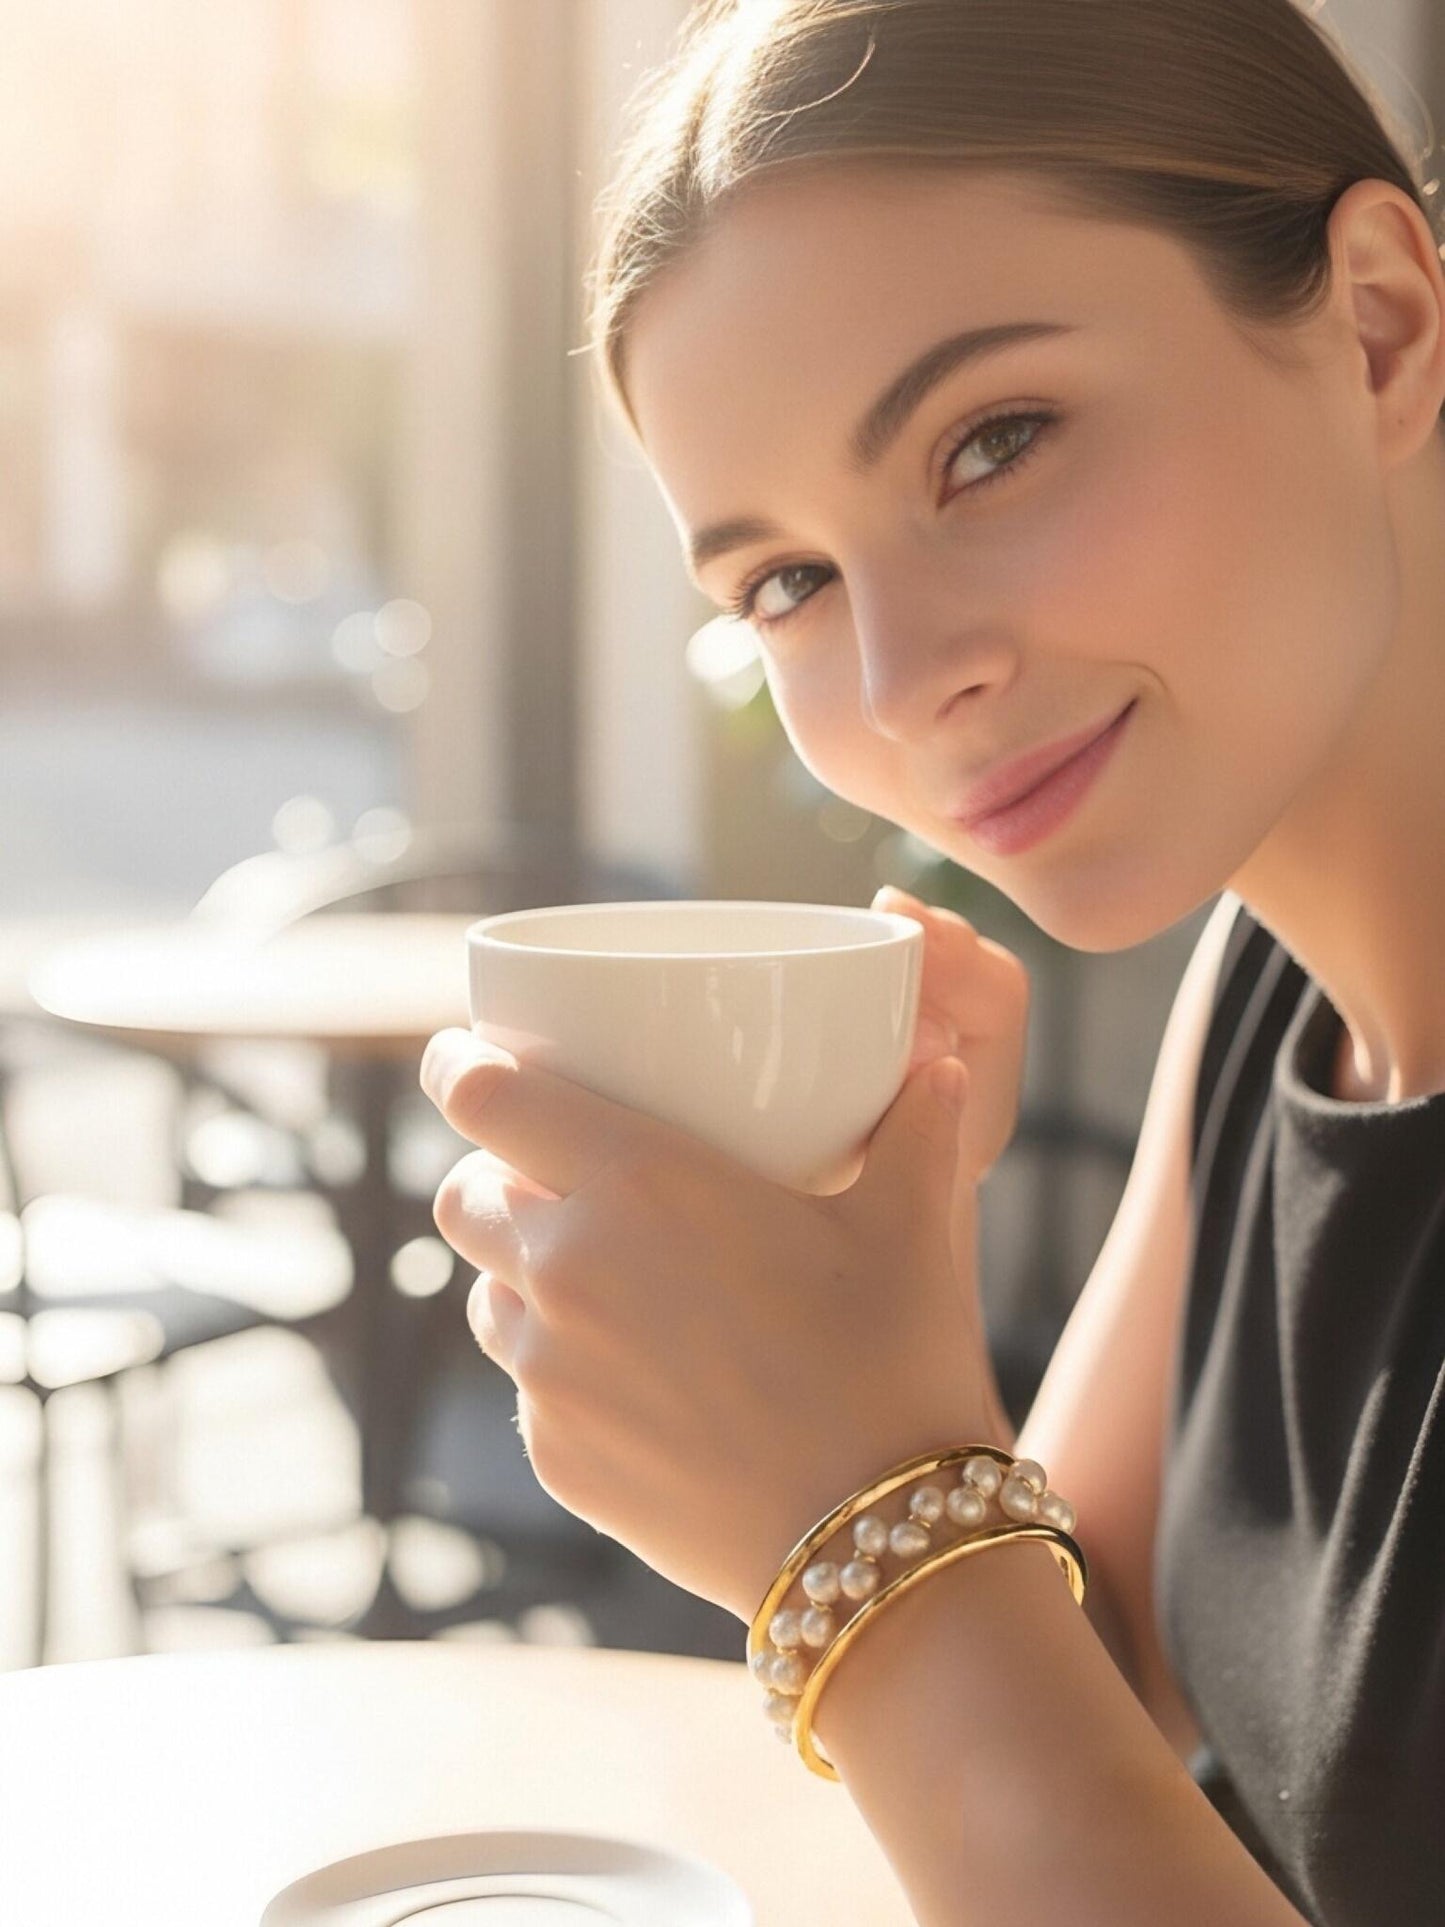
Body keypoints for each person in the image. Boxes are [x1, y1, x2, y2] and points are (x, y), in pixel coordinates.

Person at [419, 2, 1445, 1921]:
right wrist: (880, 1347)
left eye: (992, 442)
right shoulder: (1275, 1000)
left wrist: (854, 1515)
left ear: (1375, 327)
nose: (904, 690)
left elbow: (983, 1690)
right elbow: (1085, 1710)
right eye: (785, 584)